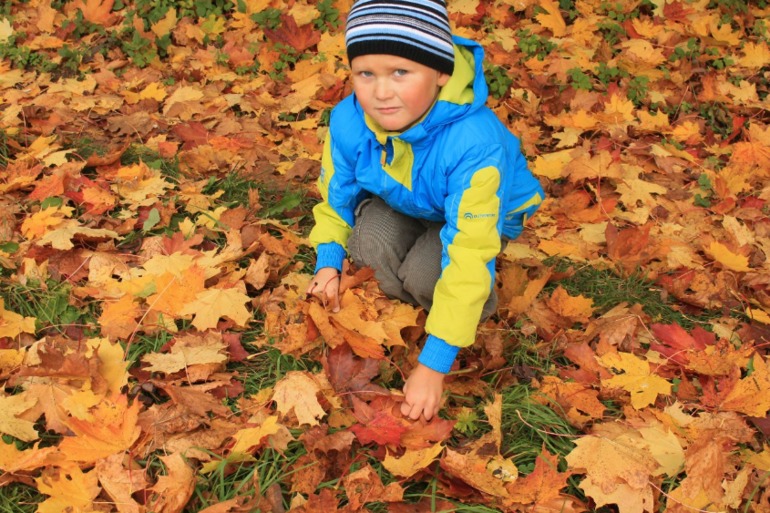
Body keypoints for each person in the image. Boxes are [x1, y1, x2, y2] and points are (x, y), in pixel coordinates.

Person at [305, 0, 544, 421]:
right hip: (410, 197)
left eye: (401, 72)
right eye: (366, 73)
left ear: (440, 73)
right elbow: (336, 195)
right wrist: (328, 262)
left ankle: (456, 319)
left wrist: (434, 364)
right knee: (366, 246)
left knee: (424, 274)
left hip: (479, 213)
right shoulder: (348, 121)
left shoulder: (475, 144)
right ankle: (426, 298)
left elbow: (469, 252)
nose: (381, 92)